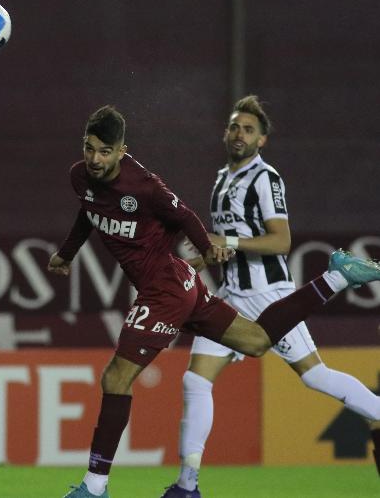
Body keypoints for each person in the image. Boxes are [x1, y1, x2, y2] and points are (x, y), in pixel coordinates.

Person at [46, 106, 380, 498]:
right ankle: (338, 275)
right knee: (253, 344)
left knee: (117, 377)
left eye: (105, 151)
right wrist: (67, 254)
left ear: (122, 150)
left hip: (172, 289)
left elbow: (186, 216)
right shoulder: (81, 177)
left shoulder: (147, 186)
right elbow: (90, 211)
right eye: (90, 149)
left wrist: (209, 247)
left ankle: (95, 486)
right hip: (190, 283)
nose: (95, 159)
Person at [162, 96, 380, 497]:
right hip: (230, 294)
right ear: (225, 133)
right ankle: (186, 485)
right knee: (195, 380)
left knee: (314, 376)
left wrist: (225, 239)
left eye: (248, 129)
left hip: (267, 296)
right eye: (234, 127)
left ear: (262, 140)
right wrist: (206, 257)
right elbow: (227, 243)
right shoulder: (221, 179)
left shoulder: (265, 179)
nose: (239, 134)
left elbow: (281, 241)